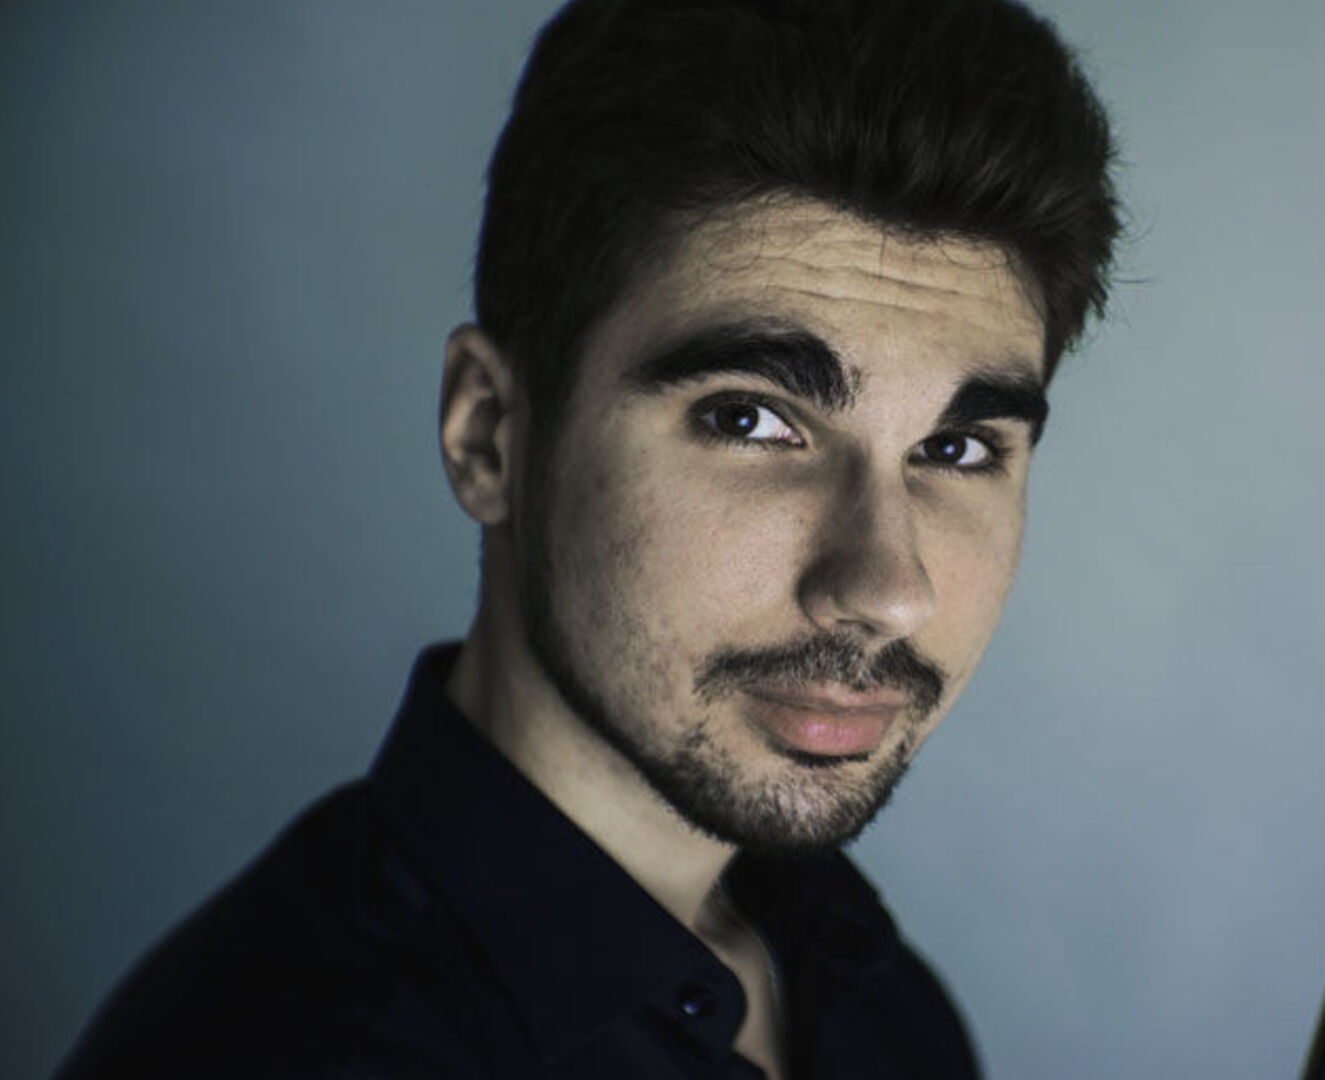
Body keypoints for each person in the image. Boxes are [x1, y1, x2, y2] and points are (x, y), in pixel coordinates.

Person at [56, 0, 1118, 1076]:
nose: (887, 588)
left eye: (956, 448)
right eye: (748, 419)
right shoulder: (278, 1052)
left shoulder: (873, 995)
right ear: (491, 434)